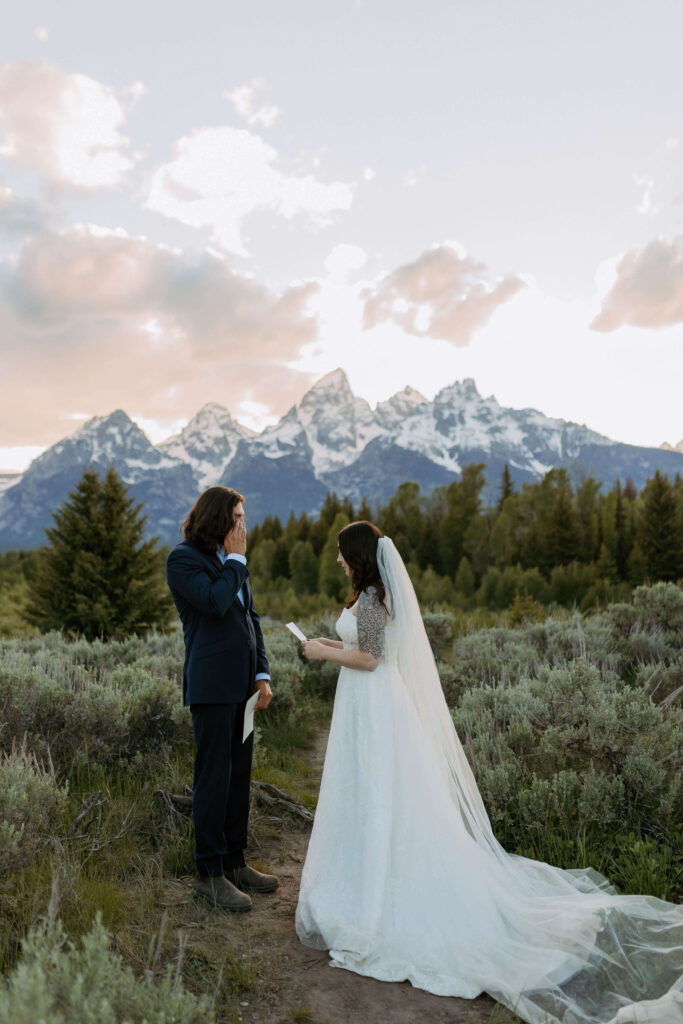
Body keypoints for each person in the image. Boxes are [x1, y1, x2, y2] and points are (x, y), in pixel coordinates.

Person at [296, 521, 683, 1024]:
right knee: (370, 794)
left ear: (359, 555)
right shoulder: (368, 596)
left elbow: (370, 659)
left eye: (342, 553)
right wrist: (331, 640)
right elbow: (365, 647)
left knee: (381, 793)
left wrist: (322, 651)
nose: (338, 561)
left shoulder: (372, 596)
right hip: (365, 706)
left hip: (374, 706)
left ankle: (375, 896)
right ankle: (364, 876)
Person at [166, 485, 279, 911]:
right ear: (216, 519)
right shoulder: (183, 560)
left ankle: (234, 861)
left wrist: (262, 672)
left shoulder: (233, 563)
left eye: (244, 519)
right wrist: (237, 559)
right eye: (235, 519)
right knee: (213, 779)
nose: (242, 527)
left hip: (244, 688)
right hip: (212, 687)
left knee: (239, 778)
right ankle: (208, 873)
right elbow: (215, 604)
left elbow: (250, 616)